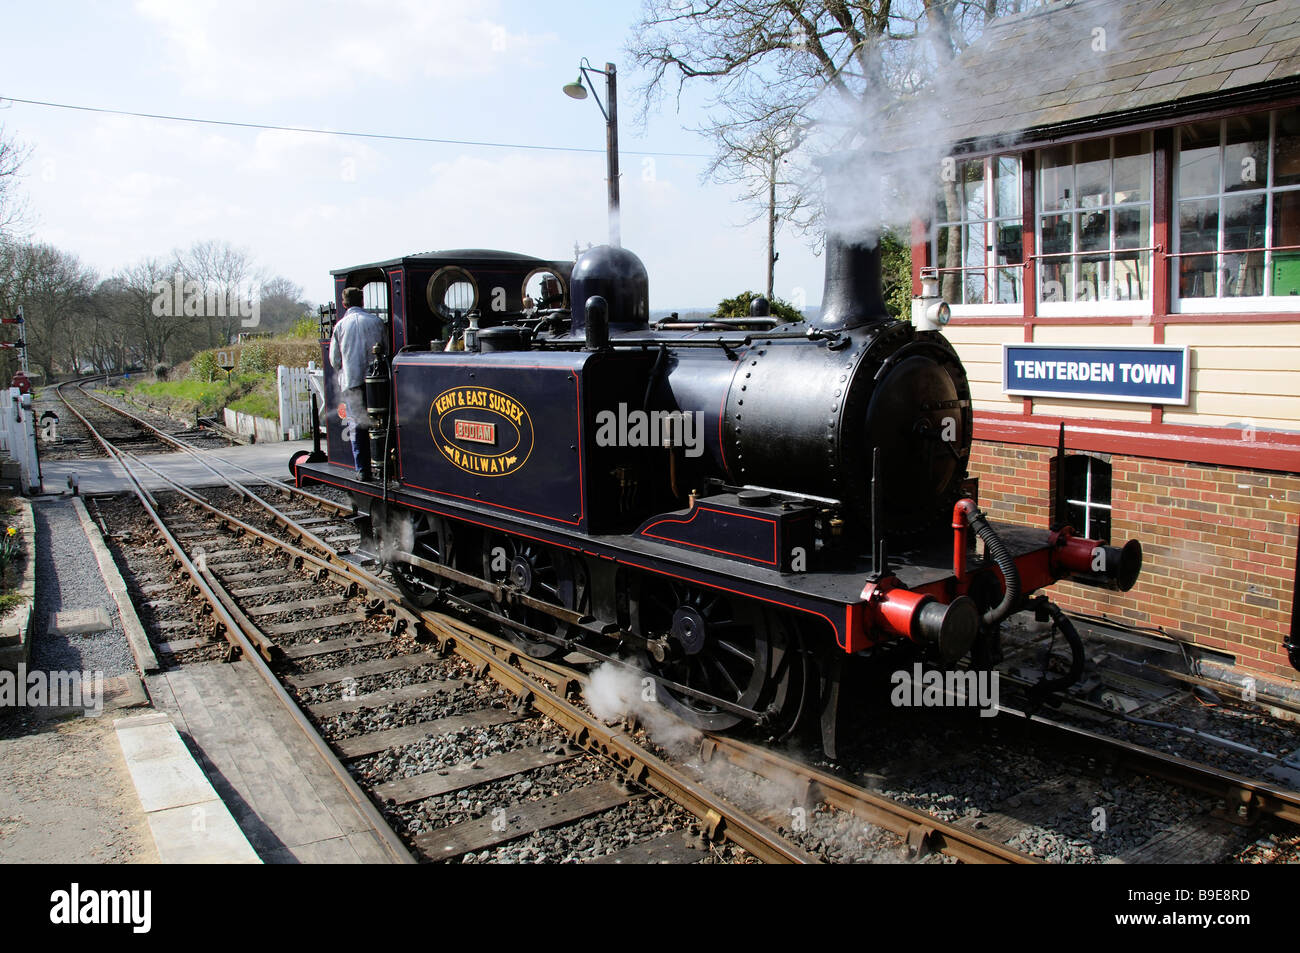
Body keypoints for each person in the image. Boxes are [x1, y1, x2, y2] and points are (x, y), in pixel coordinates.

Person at [329, 287, 386, 480]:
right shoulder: (376, 322)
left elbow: (335, 360)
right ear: (362, 301)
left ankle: (362, 469)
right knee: (382, 423)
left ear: (344, 304)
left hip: (352, 382)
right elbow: (386, 349)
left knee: (357, 425)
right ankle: (384, 466)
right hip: (378, 382)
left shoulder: (340, 327)